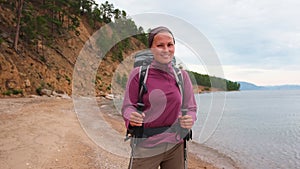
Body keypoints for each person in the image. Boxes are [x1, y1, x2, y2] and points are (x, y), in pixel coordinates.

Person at [122, 26, 197, 169]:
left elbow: (191, 108)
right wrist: (131, 116)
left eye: (170, 45)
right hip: (146, 146)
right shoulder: (138, 74)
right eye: (160, 45)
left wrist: (190, 118)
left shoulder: (182, 76)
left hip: (176, 145)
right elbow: (127, 106)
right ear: (151, 48)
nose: (166, 49)